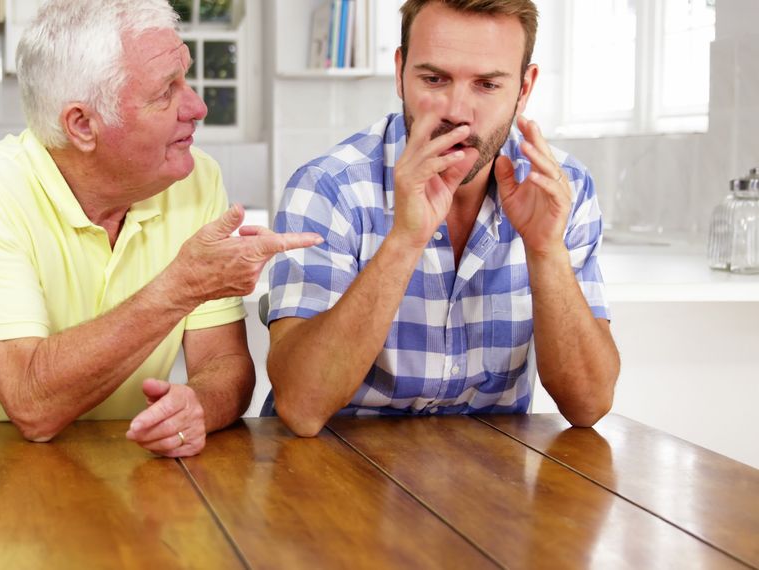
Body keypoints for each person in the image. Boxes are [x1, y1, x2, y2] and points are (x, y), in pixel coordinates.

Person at [0, 0, 321, 457]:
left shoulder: (195, 180)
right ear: (82, 125)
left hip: (112, 465)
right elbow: (33, 407)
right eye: (165, 92)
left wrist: (199, 405)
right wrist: (182, 286)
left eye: (186, 78)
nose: (197, 106)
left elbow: (226, 364)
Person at [264, 0, 620, 436]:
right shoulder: (328, 187)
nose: (457, 110)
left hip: (487, 475)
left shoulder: (562, 189)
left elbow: (589, 404)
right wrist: (405, 240)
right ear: (400, 72)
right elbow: (301, 406)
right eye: (434, 79)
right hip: (334, 469)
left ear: (525, 89)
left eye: (487, 85)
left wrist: (546, 252)